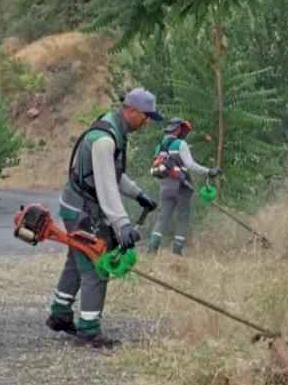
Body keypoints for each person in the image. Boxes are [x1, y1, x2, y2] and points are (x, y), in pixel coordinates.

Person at [46, 88, 164, 348]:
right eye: (145, 116)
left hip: (76, 205)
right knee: (96, 264)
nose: (147, 122)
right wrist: (122, 224)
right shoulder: (105, 140)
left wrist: (138, 194)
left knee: (76, 259)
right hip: (81, 210)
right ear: (131, 110)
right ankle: (89, 330)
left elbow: (114, 173)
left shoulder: (113, 130)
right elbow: (106, 185)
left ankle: (59, 314)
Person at [147, 119, 221, 255]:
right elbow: (190, 165)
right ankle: (177, 250)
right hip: (182, 187)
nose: (186, 133)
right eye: (185, 130)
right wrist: (208, 171)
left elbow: (158, 168)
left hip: (165, 187)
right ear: (178, 129)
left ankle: (152, 248)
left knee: (162, 217)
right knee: (183, 217)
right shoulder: (180, 144)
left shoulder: (160, 147)